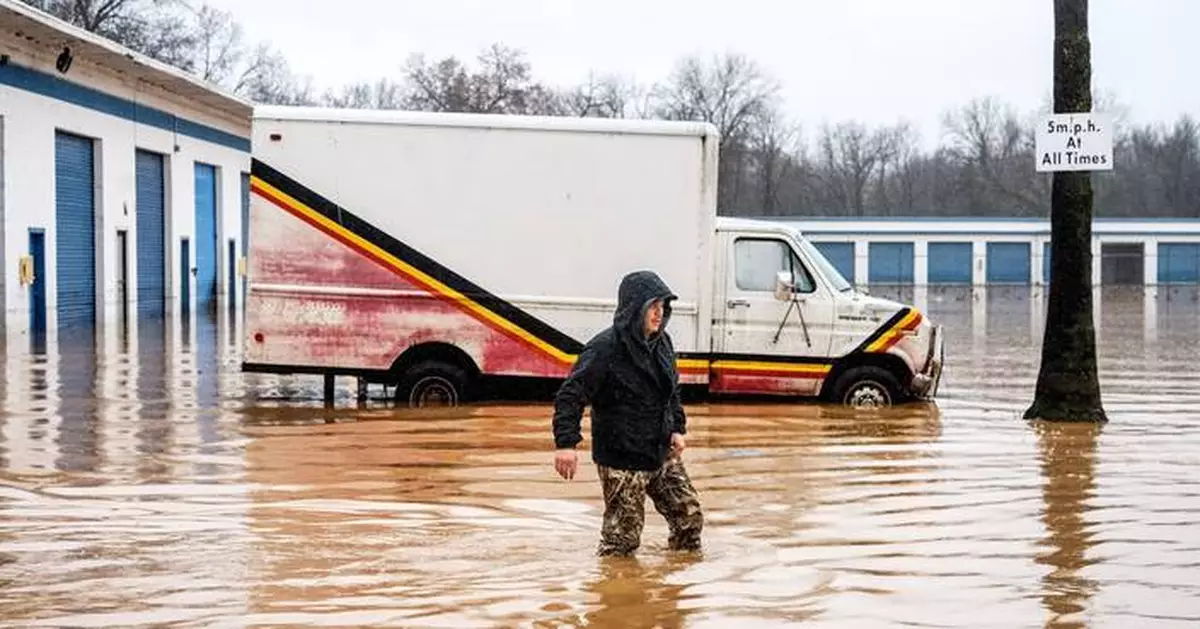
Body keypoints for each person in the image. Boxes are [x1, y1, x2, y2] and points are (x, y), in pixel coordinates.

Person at [551, 270, 704, 557]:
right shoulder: (605, 348)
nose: (659, 314)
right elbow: (570, 396)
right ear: (635, 308)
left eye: (663, 307)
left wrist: (677, 428)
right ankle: (615, 594)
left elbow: (670, 391)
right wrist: (566, 444)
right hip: (621, 457)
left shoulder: (663, 342)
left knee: (689, 519)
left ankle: (677, 586)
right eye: (653, 307)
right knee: (622, 542)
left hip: (659, 451)